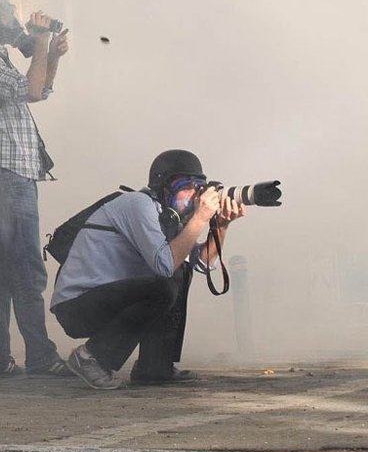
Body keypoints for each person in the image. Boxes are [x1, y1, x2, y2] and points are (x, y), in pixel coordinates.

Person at [49, 149, 247, 390]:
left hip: (109, 298)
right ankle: (92, 358)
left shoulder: (168, 216)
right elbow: (164, 266)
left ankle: (155, 368)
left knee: (179, 274)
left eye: (199, 187)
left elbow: (202, 264)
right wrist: (200, 219)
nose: (195, 194)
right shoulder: (138, 204)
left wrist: (221, 225)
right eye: (187, 186)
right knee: (163, 286)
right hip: (77, 306)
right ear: (165, 187)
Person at [0, 0, 70, 377]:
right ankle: (39, 355)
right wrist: (39, 41)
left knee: (3, 270)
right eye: (4, 15)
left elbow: (41, 87)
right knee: (25, 269)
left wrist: (51, 54)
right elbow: (32, 90)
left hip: (11, 176)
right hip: (4, 177)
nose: (12, 21)